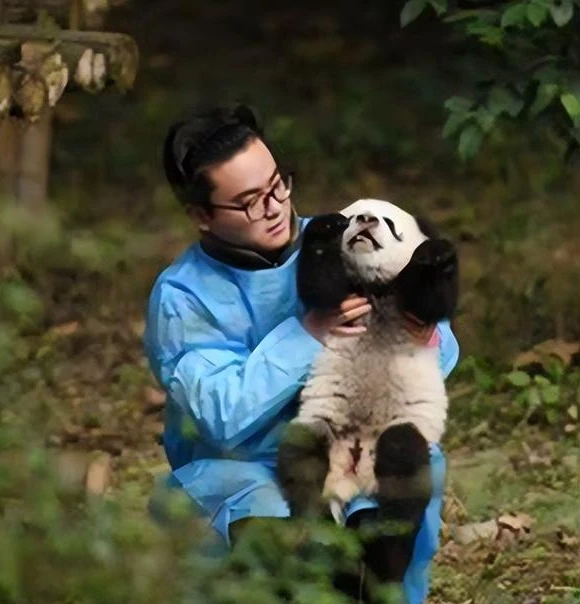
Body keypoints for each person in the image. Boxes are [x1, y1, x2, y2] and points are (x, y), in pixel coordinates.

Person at [143, 104, 459, 602]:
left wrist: (421, 330)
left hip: (352, 445)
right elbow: (221, 415)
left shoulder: (338, 237)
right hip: (247, 471)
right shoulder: (184, 297)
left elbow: (437, 350)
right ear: (201, 215)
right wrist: (306, 333)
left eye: (278, 185)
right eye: (249, 202)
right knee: (278, 532)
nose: (274, 207)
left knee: (415, 463)